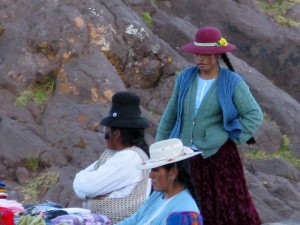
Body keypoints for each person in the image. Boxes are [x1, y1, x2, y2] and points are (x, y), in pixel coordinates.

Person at [155, 26, 263, 225]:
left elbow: (254, 114)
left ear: (218, 55)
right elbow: (170, 115)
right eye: (197, 53)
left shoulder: (231, 82)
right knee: (184, 208)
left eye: (206, 54)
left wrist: (228, 135)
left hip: (217, 159)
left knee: (222, 209)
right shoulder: (185, 78)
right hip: (183, 156)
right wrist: (158, 151)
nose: (200, 58)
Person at [73, 91, 151, 224]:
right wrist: (89, 192)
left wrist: (89, 193)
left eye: (106, 129)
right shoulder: (116, 154)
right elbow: (80, 182)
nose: (104, 133)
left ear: (116, 133)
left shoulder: (129, 158)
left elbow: (87, 187)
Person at [116, 138, 202, 225]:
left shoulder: (185, 211)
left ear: (172, 172)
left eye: (155, 170)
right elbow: (134, 219)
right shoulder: (158, 194)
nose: (150, 175)